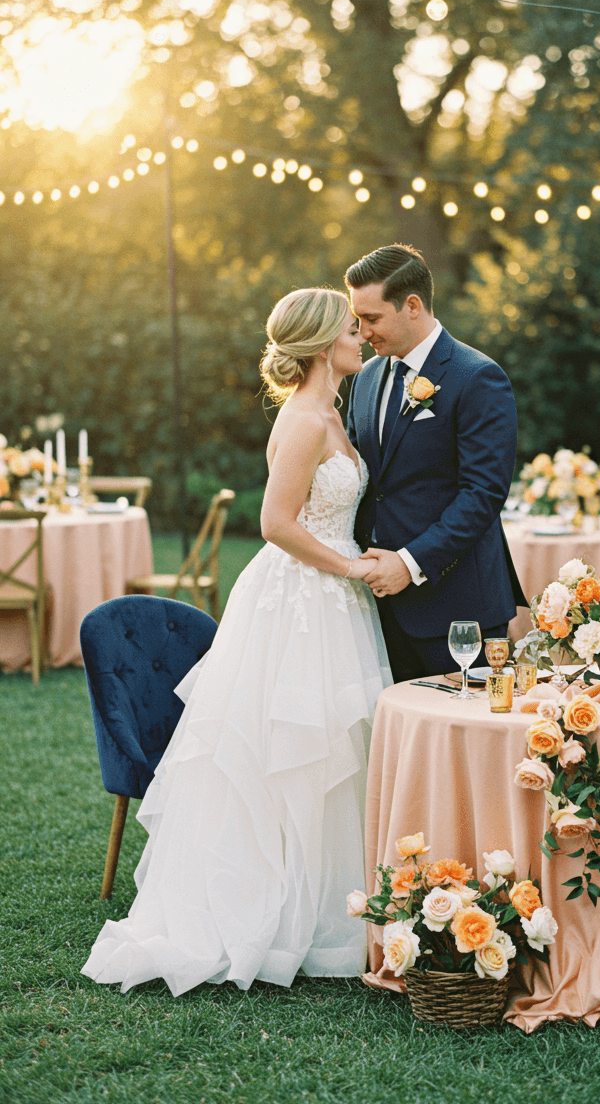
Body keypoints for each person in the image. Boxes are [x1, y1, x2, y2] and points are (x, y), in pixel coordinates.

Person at [82, 289, 392, 996]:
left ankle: (326, 910)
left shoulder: (333, 412)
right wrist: (350, 566)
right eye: (351, 329)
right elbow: (276, 522)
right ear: (321, 345)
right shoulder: (309, 419)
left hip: (331, 595)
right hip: (304, 596)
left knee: (334, 754)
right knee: (289, 751)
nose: (361, 338)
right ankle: (280, 914)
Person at [345, 243, 526, 681]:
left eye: (372, 319)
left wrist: (408, 563)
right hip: (376, 610)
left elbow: (483, 494)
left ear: (411, 306)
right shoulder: (367, 378)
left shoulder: (477, 376)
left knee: (471, 745)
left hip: (459, 612)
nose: (363, 333)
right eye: (358, 321)